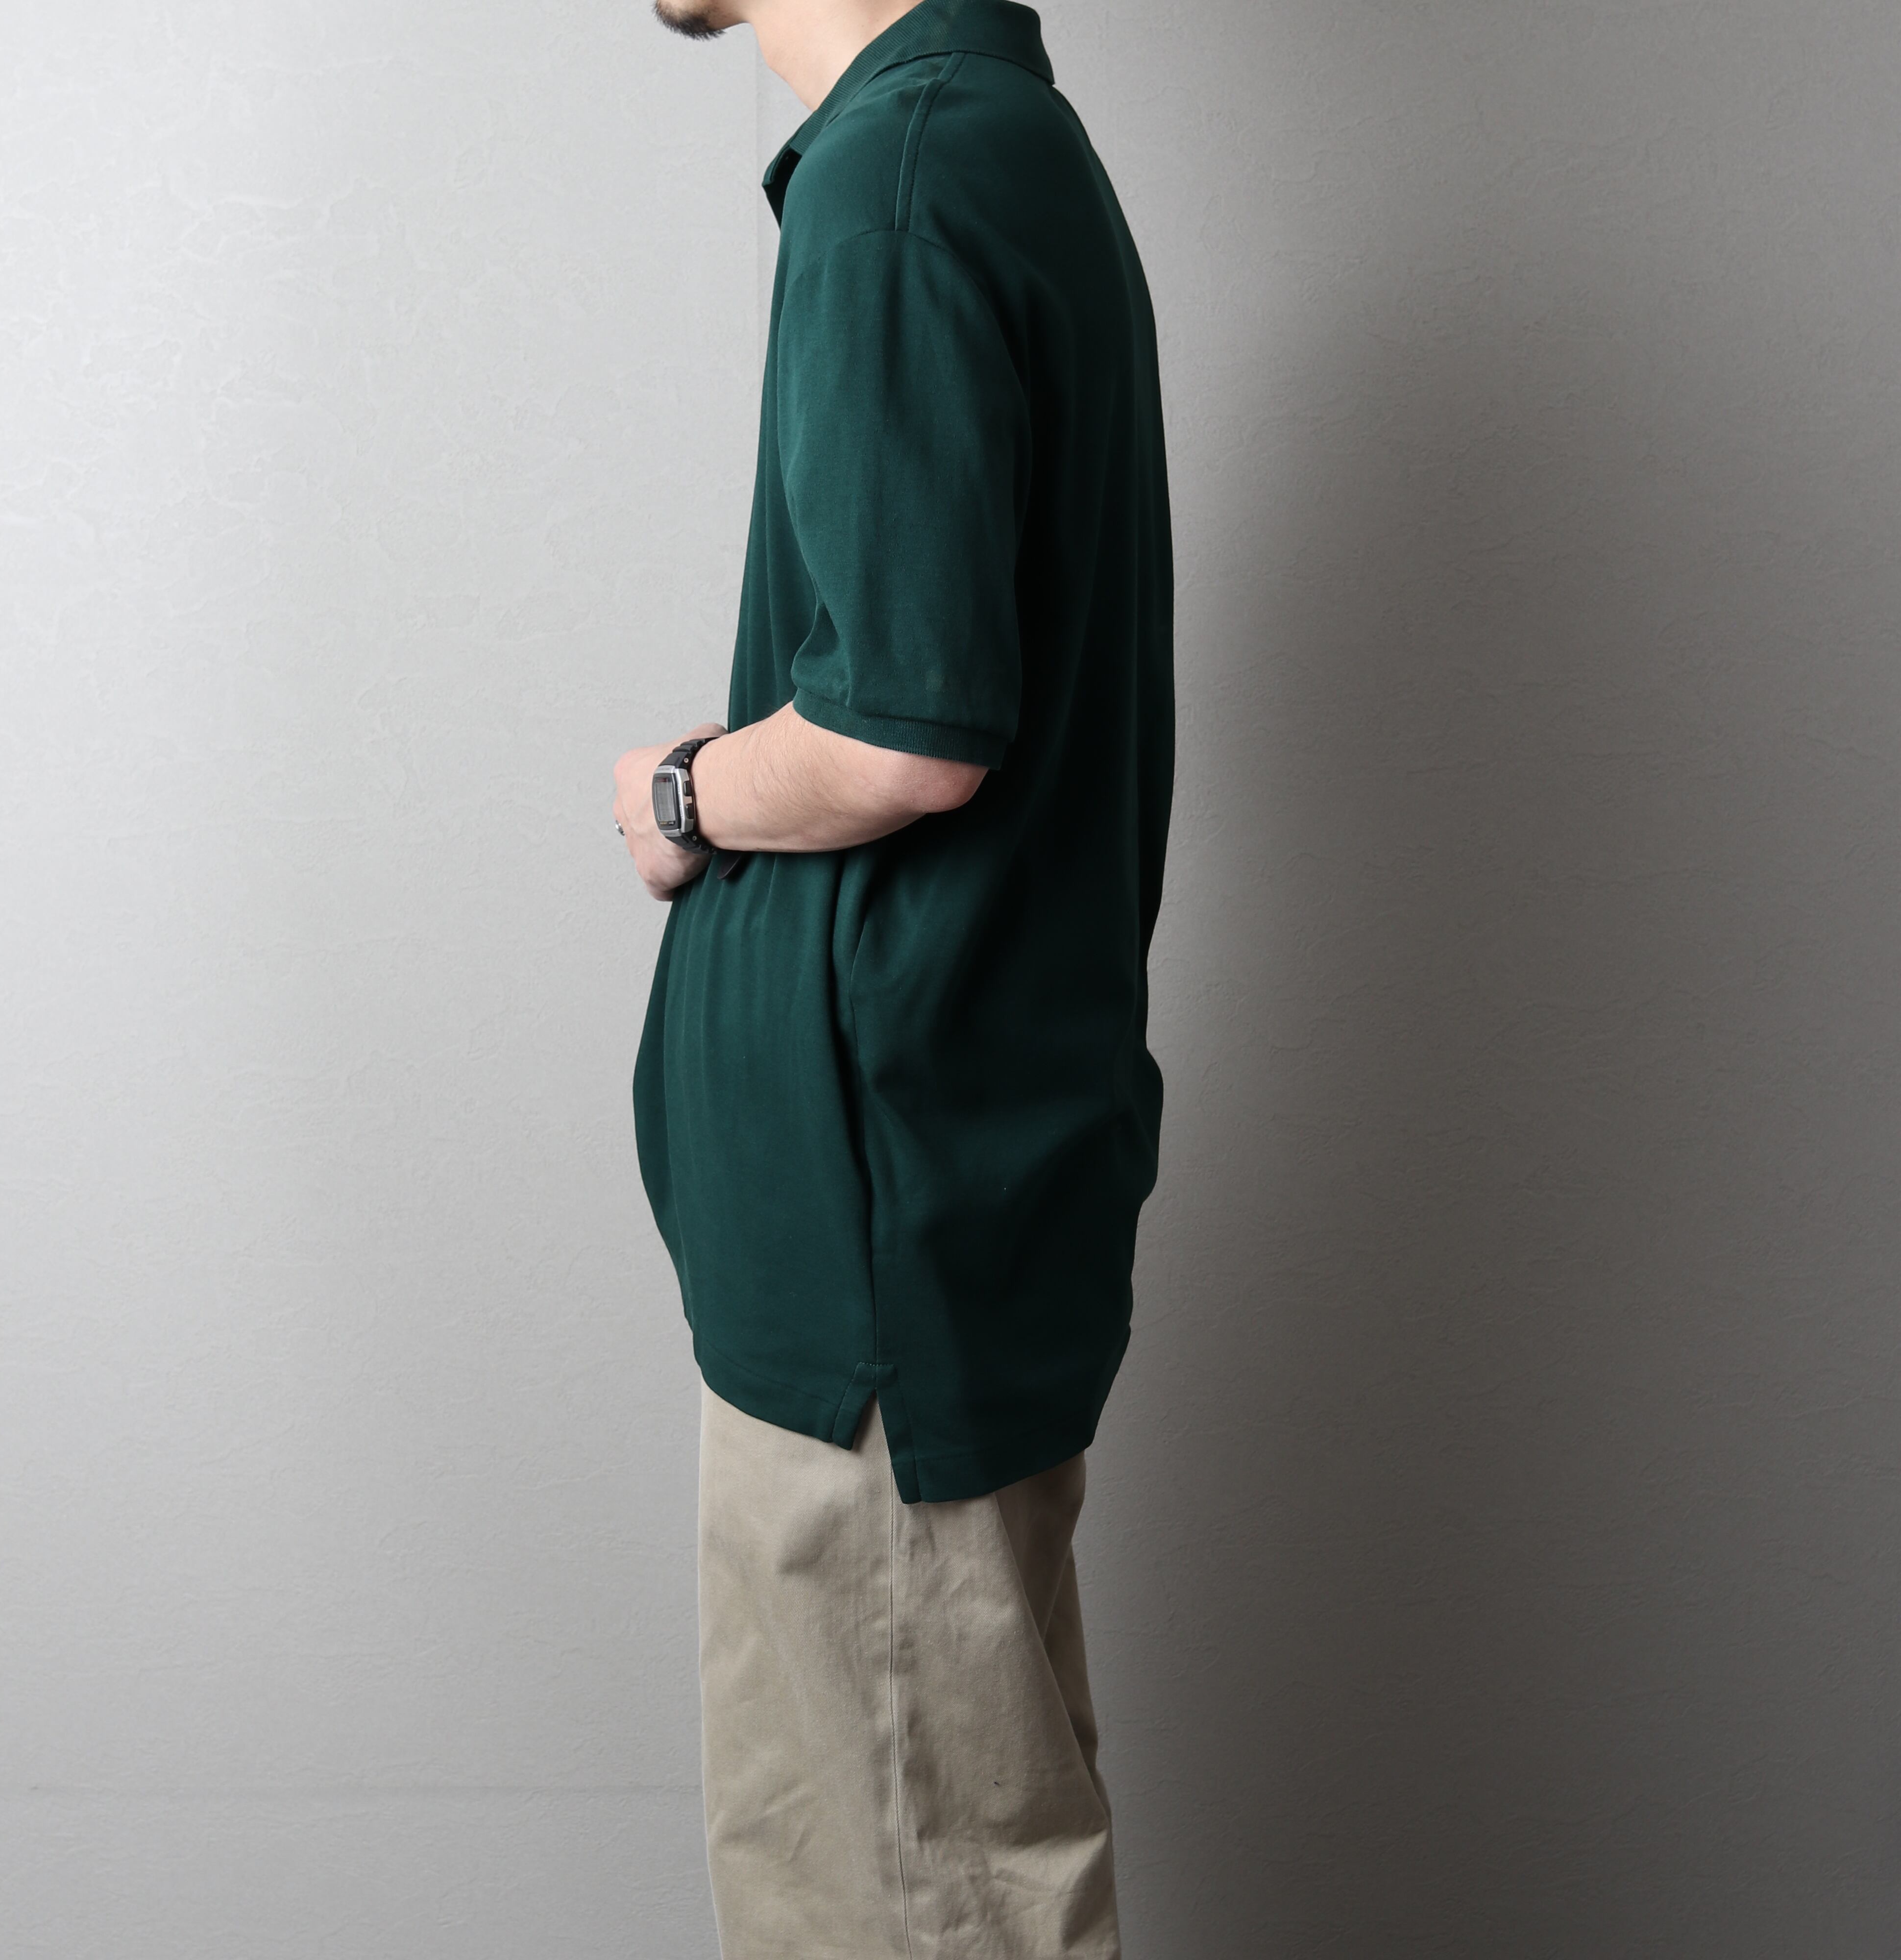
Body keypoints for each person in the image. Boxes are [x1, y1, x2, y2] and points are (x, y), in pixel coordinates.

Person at [613, 1, 1172, 1952]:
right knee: (939, 1865)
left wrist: (680, 789)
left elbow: (898, 733)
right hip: (907, 1206)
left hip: (877, 1230)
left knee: (901, 1896)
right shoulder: (979, 141)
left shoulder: (905, 171)